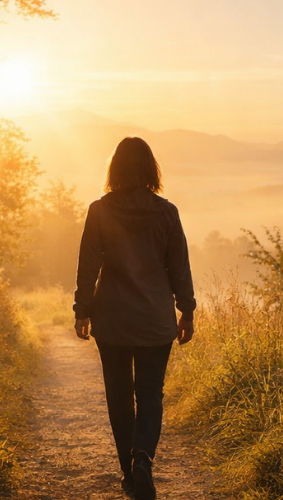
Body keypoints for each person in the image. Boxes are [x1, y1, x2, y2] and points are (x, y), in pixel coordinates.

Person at [73, 137, 196, 500]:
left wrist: (82, 310)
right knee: (150, 392)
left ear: (115, 169)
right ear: (150, 169)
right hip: (155, 319)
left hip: (112, 318)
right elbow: (179, 267)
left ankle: (129, 472)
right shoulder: (167, 213)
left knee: (119, 395)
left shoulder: (99, 211)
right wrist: (187, 310)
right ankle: (143, 458)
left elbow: (88, 266)